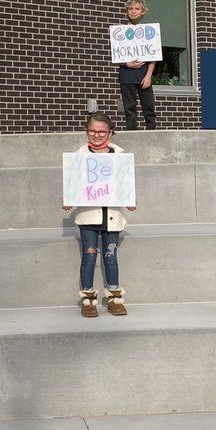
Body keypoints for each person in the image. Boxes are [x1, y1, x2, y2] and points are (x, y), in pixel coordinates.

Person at [62, 112, 136, 316]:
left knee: (110, 256)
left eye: (101, 131)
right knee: (88, 257)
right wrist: (69, 197)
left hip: (112, 216)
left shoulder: (119, 156)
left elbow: (124, 184)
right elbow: (74, 185)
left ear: (110, 133)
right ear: (87, 132)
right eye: (93, 130)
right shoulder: (79, 157)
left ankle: (114, 297)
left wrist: (129, 197)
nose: (97, 135)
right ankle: (88, 300)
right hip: (89, 217)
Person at [118, 0, 156, 130]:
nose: (133, 11)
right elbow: (116, 54)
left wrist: (149, 75)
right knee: (129, 109)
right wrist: (127, 64)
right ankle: (131, 135)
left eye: (137, 8)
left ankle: (152, 135)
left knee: (149, 108)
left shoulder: (149, 32)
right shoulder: (120, 33)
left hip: (143, 75)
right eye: (130, 9)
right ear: (126, 11)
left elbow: (153, 56)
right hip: (126, 75)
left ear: (143, 11)